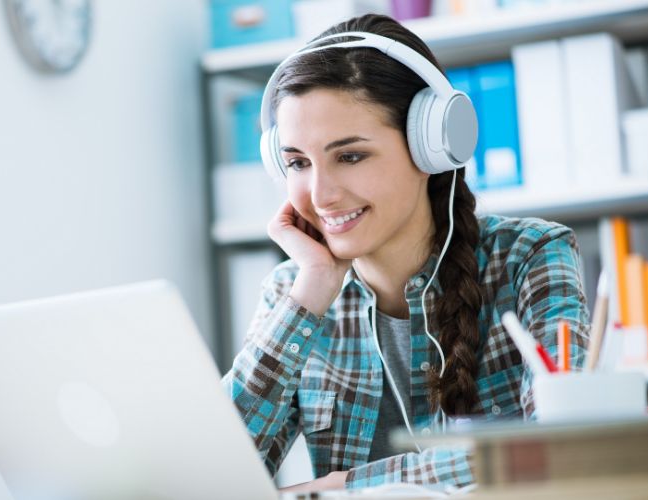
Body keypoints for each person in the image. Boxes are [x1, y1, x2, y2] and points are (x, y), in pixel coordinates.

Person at [221, 13, 589, 493]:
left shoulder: (529, 257)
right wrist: (309, 294)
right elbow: (214, 475)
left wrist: (350, 484)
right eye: (297, 162)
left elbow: (557, 450)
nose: (320, 194)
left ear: (432, 147)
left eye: (350, 156)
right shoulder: (292, 293)